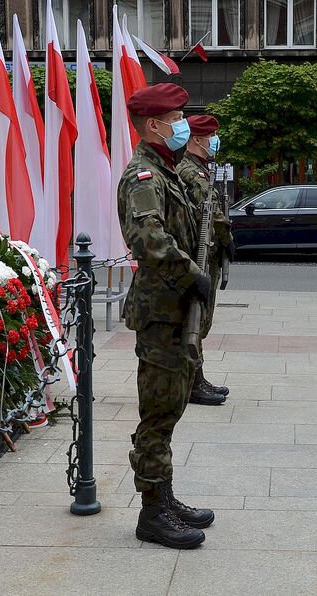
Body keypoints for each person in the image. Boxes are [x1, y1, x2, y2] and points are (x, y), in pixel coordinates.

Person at [116, 83, 214, 549]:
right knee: (157, 414)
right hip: (160, 311)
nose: (182, 125)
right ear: (153, 125)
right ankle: (152, 513)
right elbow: (149, 242)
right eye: (175, 118)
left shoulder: (167, 171)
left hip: (173, 310)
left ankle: (165, 495)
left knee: (170, 408)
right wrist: (192, 274)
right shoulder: (145, 178)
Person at [177, 115, 234, 406]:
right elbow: (207, 212)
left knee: (202, 319)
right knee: (196, 318)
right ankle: (191, 382)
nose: (214, 141)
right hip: (198, 255)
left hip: (205, 254)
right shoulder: (190, 172)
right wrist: (226, 237)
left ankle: (196, 376)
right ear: (197, 139)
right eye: (211, 136)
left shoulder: (201, 170)